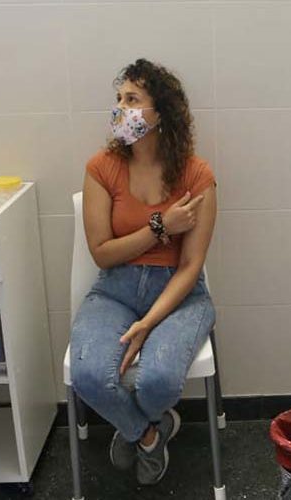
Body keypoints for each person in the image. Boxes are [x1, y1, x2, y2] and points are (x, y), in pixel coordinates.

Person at [70, 59, 217, 486]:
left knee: (159, 382)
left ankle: (135, 426)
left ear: (161, 112)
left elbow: (190, 265)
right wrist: (160, 227)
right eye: (118, 99)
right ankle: (149, 433)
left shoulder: (197, 174)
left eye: (132, 100)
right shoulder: (101, 168)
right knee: (88, 376)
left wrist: (148, 324)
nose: (120, 108)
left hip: (179, 295)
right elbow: (103, 253)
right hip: (114, 291)